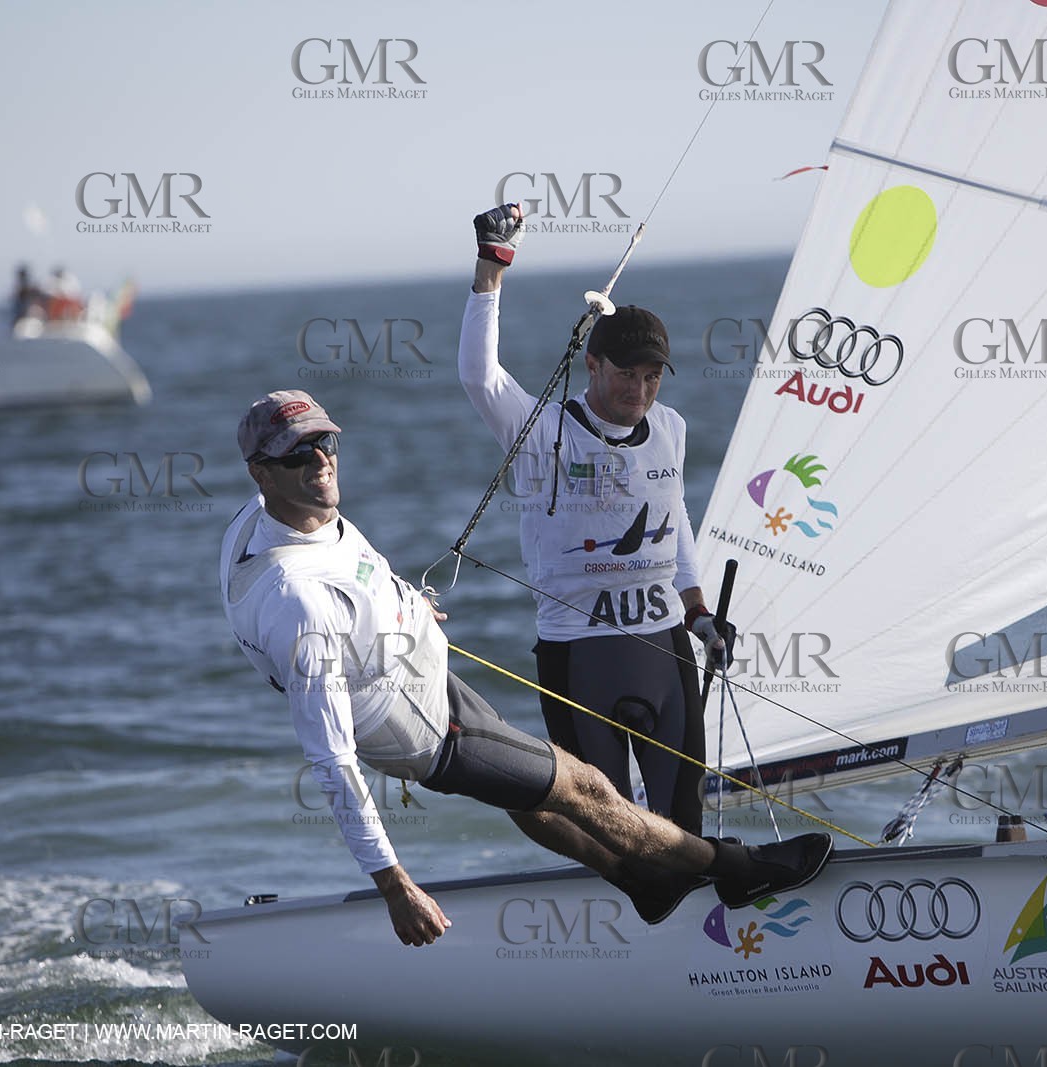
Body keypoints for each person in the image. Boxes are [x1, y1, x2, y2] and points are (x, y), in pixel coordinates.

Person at [219, 390, 831, 947]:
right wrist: (395, 886)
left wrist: (407, 609)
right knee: (584, 786)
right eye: (297, 455)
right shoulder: (296, 601)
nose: (319, 460)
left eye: (325, 441)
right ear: (261, 472)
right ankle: (738, 870)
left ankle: (639, 882)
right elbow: (331, 758)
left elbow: (356, 581)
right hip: (421, 726)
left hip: (416, 683)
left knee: (525, 794)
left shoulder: (262, 518)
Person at [457, 204, 734, 837]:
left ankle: (688, 914)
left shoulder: (670, 429)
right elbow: (478, 375)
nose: (640, 389)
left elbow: (675, 520)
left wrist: (697, 612)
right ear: (592, 365)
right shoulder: (543, 430)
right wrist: (490, 271)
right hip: (580, 658)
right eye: (625, 373)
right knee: (608, 828)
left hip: (665, 652)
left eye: (652, 375)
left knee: (683, 825)